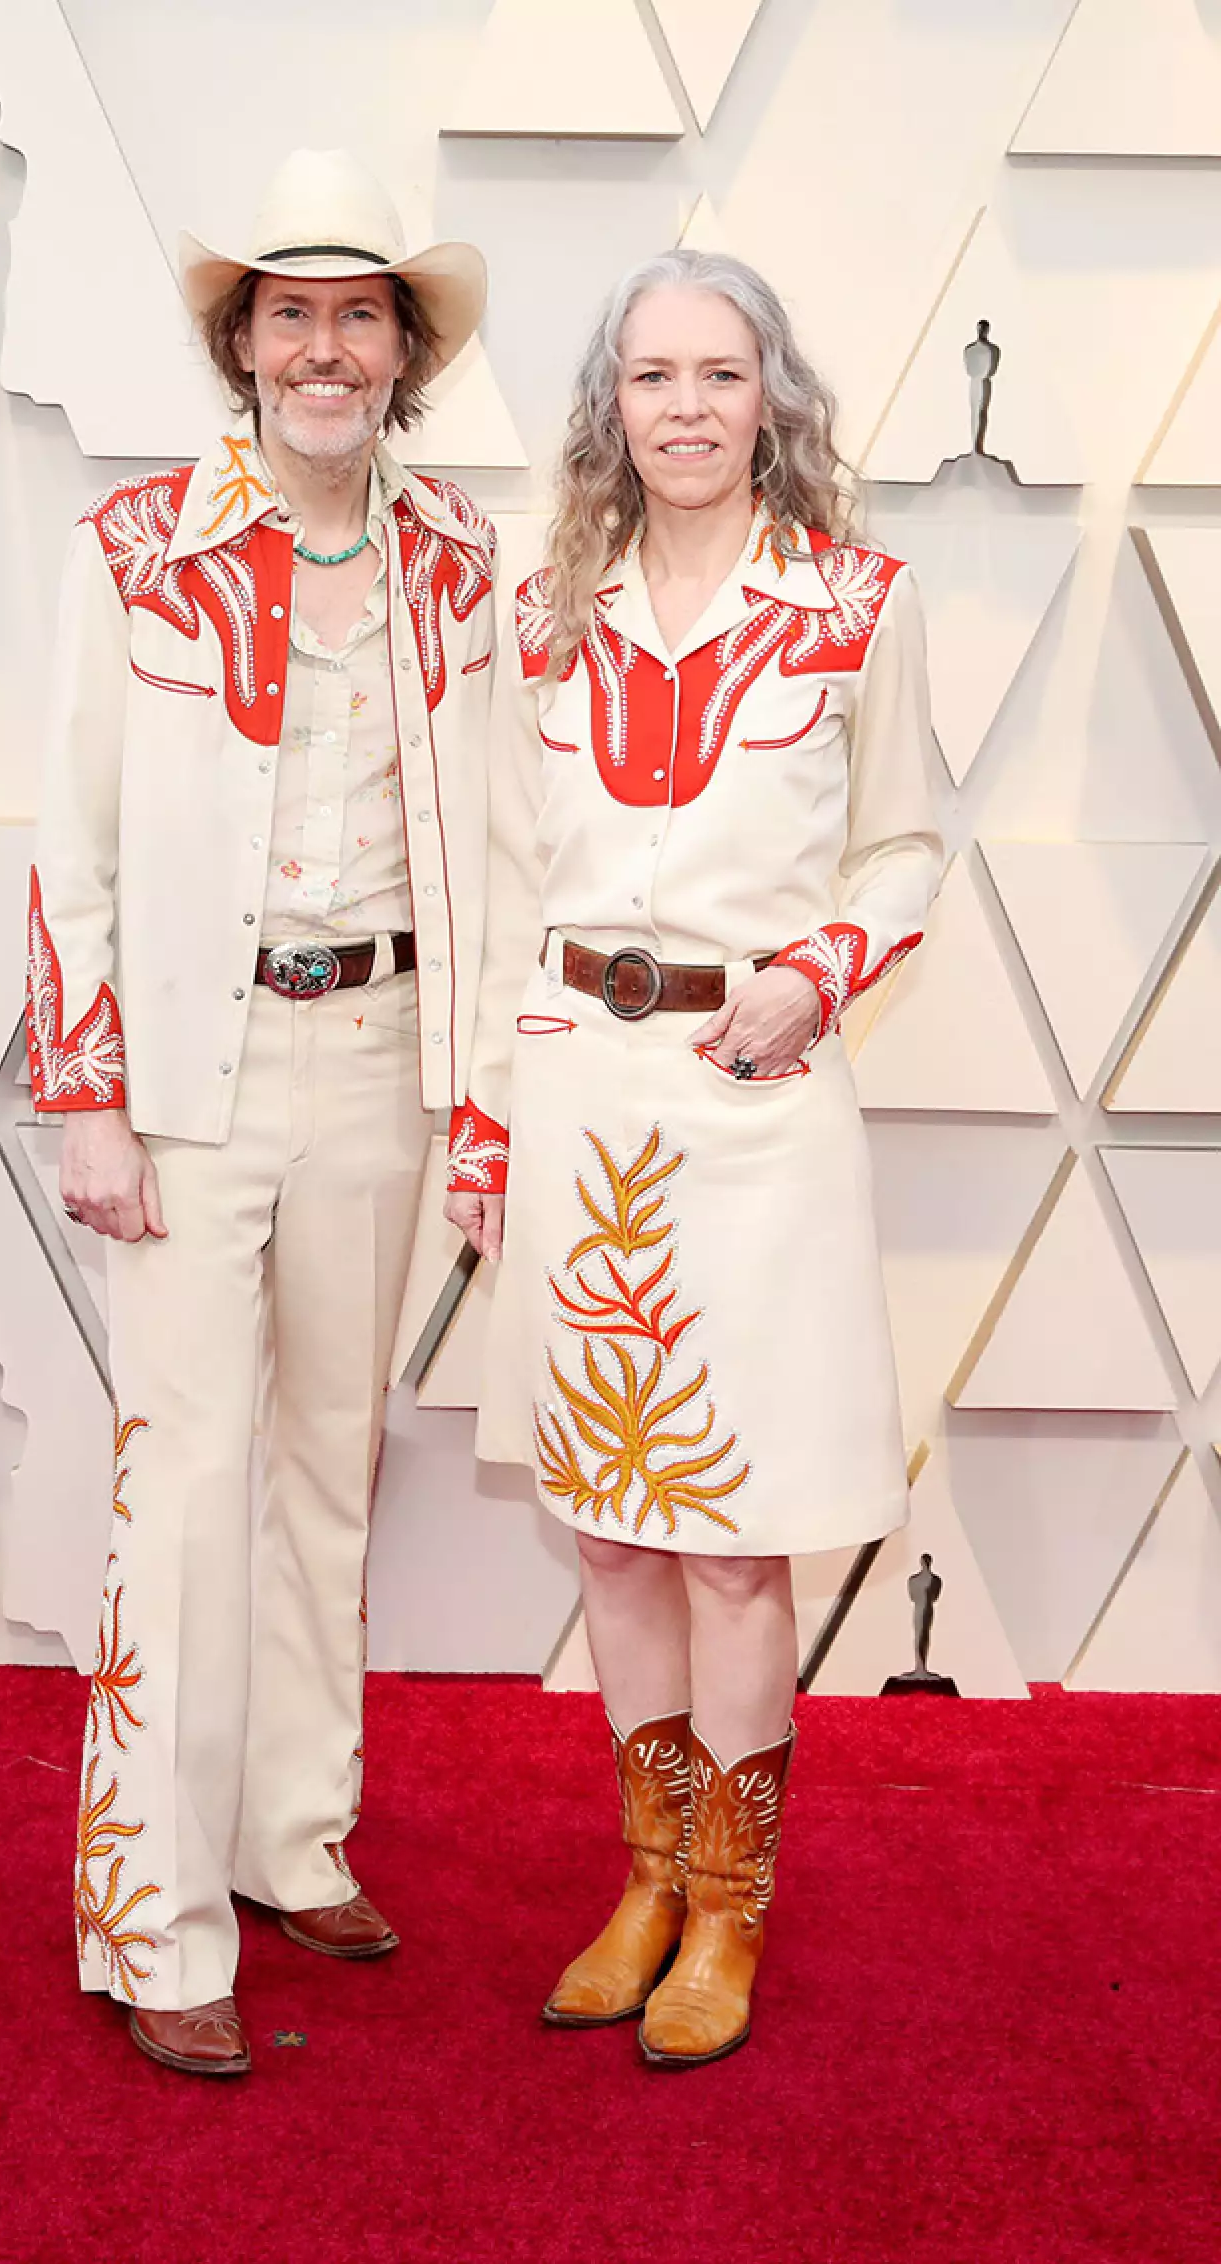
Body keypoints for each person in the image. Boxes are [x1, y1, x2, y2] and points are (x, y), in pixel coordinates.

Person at [27, 148, 496, 2078]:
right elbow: (74, 841)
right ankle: (155, 1921)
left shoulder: (459, 553)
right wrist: (88, 1097)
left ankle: (295, 1835)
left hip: (378, 1054)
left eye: (358, 316)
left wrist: (485, 1094)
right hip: (187, 1085)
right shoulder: (136, 546)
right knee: (183, 1488)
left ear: (404, 351)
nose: (323, 350)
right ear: (241, 344)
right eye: (289, 314)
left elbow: (506, 835)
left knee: (329, 1467)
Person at [444, 248, 942, 2067]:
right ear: (612, 406)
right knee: (607, 1527)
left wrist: (823, 973)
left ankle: (730, 1908)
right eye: (652, 376)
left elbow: (905, 850)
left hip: (759, 1105)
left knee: (734, 1543)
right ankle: (646, 1878)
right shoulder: (545, 614)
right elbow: (504, 883)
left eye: (719, 374)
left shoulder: (857, 604)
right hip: (580, 1092)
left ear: (770, 397)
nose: (686, 408)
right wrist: (485, 1121)